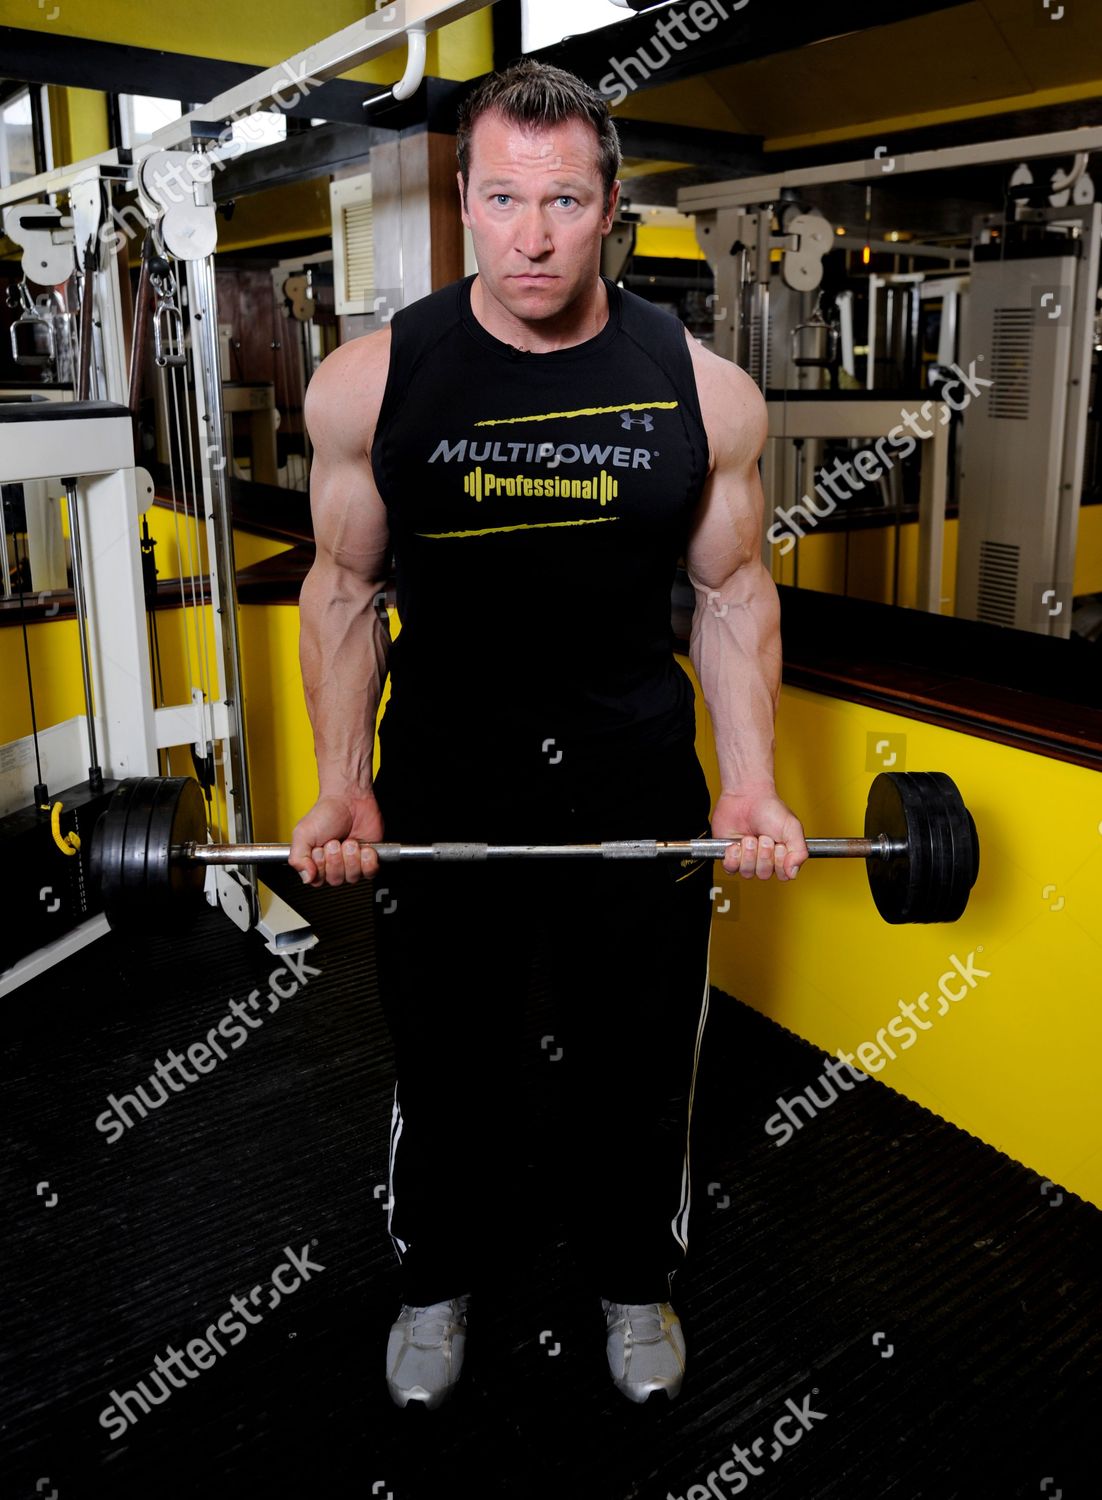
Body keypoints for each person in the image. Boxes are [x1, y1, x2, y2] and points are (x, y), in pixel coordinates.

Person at [290, 58, 808, 1411]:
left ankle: (633, 1282)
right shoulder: (370, 383)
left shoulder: (702, 393)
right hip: (448, 771)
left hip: (634, 773)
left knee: (635, 1057)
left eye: (563, 200)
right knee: (448, 1055)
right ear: (463, 201)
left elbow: (728, 591)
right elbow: (344, 589)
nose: (532, 233)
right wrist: (343, 788)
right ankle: (435, 1279)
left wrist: (747, 785)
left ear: (610, 207)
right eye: (505, 198)